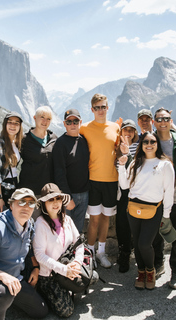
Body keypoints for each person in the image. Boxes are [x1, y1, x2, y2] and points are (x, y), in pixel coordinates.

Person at [0, 188, 48, 320]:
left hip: (14, 278)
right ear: (11, 205)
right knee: (4, 292)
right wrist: (3, 277)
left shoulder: (29, 225)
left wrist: (35, 267)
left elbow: (28, 249)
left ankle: (7, 301)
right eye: (22, 202)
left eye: (30, 204)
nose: (26, 207)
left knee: (40, 311)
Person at [118, 131, 175, 290]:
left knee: (144, 243)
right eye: (145, 142)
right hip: (134, 207)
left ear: (157, 144)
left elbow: (168, 191)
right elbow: (124, 186)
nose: (149, 145)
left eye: (152, 142)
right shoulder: (135, 162)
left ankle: (150, 271)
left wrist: (166, 215)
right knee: (136, 243)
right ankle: (141, 272)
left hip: (154, 209)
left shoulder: (165, 164)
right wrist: (122, 166)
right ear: (141, 145)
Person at [152, 107, 176, 289]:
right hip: (156, 197)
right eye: (159, 119)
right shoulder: (150, 141)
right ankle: (158, 265)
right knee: (156, 235)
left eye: (165, 119)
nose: (162, 122)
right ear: (154, 122)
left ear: (171, 121)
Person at [79, 93, 121, 268]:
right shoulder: (84, 128)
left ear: (107, 107)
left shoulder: (115, 128)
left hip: (112, 180)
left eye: (103, 107)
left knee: (106, 218)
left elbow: (119, 150)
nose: (101, 110)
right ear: (92, 109)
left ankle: (101, 253)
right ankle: (89, 254)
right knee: (94, 219)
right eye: (97, 107)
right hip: (93, 180)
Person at [33, 183, 83, 318]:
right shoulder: (40, 224)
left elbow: (79, 244)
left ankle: (66, 288)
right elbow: (39, 255)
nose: (56, 203)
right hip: (49, 275)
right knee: (67, 311)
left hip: (68, 266)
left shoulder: (68, 220)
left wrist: (77, 263)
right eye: (51, 199)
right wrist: (63, 270)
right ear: (43, 203)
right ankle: (46, 293)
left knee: (92, 277)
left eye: (58, 198)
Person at [52, 109, 90, 233]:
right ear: (64, 124)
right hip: (68, 195)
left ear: (80, 122)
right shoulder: (60, 143)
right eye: (69, 122)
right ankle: (64, 253)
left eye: (75, 121)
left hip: (84, 194)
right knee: (64, 230)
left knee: (77, 231)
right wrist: (67, 197)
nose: (72, 124)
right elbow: (59, 172)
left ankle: (75, 252)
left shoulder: (84, 140)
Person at [115, 119, 139, 273]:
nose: (128, 133)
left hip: (137, 191)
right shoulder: (116, 148)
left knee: (137, 224)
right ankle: (124, 254)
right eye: (125, 130)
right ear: (121, 132)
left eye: (131, 130)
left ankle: (137, 252)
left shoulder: (140, 146)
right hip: (123, 192)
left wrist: (128, 152)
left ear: (135, 132)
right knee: (122, 224)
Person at [19, 106, 58, 199]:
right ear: (34, 118)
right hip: (30, 192)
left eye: (48, 119)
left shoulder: (54, 138)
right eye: (42, 117)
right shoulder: (24, 139)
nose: (45, 121)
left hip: (49, 192)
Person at [0, 111, 23, 215]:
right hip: (2, 189)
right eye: (10, 122)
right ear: (5, 124)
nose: (13, 125)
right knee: (3, 222)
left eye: (16, 123)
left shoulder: (15, 142)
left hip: (13, 185)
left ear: (20, 126)